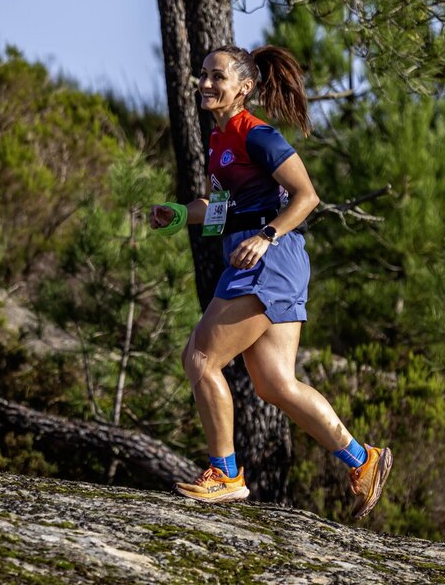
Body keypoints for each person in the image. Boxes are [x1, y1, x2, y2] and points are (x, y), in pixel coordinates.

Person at [149, 44, 392, 518]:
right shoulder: (220, 139)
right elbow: (223, 209)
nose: (205, 83)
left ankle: (225, 474)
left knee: (200, 358)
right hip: (270, 261)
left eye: (217, 77)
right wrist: (180, 213)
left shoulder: (256, 134)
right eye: (203, 74)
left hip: (268, 261)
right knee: (275, 383)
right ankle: (364, 461)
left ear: (243, 88)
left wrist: (266, 236)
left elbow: (307, 196)